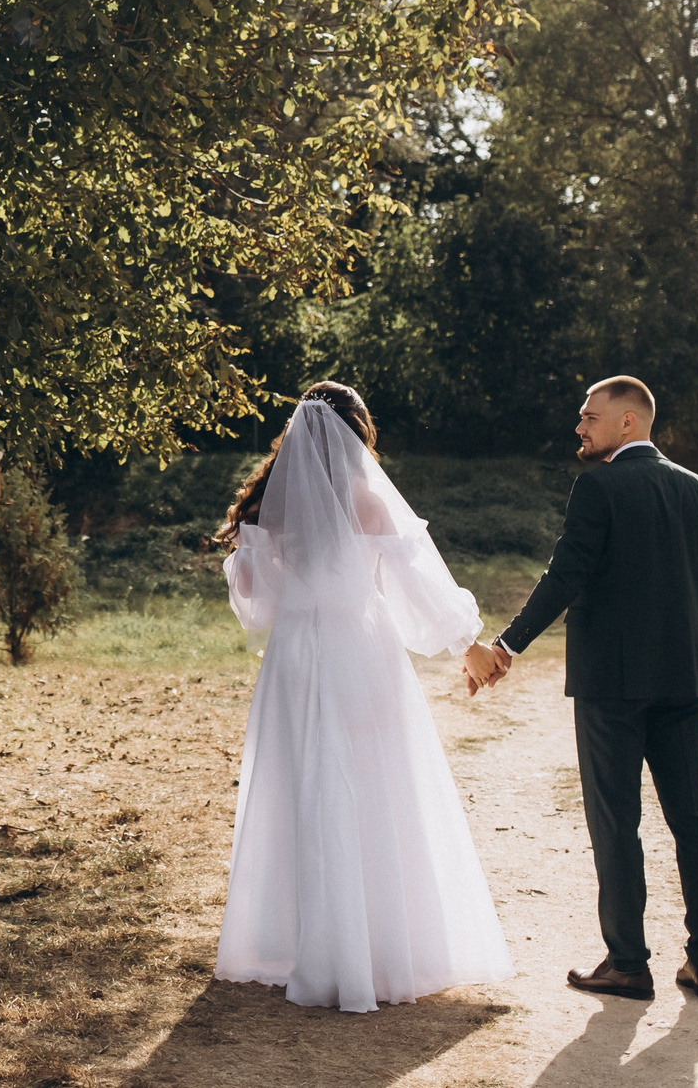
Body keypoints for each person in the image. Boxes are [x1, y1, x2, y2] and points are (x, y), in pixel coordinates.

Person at [212, 382, 513, 1012]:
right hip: (358, 647)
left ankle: (308, 944)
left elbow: (256, 604)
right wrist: (468, 646)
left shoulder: (269, 507)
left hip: (295, 654)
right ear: (358, 435)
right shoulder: (369, 502)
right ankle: (370, 948)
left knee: (302, 787)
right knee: (372, 783)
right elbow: (417, 584)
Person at [463, 376, 698, 1002]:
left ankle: (628, 964)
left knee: (616, 822)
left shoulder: (600, 487)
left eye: (590, 416)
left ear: (627, 422)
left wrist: (505, 646)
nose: (579, 427)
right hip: (684, 682)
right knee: (695, 820)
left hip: (611, 685)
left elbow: (566, 576)